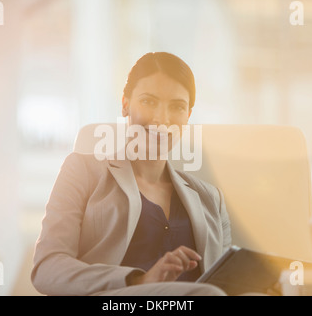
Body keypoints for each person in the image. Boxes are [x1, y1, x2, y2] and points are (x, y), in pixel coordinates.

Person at [31, 52, 231, 296]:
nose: (162, 119)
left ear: (188, 116)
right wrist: (139, 280)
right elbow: (47, 268)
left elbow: (225, 281)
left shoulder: (210, 198)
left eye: (177, 106)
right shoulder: (82, 171)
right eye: (149, 101)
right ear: (125, 105)